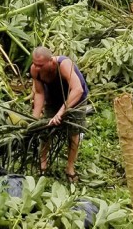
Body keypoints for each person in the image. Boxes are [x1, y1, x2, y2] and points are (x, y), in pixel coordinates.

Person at [30, 46, 89, 182]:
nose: (37, 68)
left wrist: (61, 113)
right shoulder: (35, 70)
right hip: (53, 98)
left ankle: (70, 168)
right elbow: (39, 93)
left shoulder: (63, 64)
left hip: (75, 98)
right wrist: (35, 118)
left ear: (50, 61)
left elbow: (77, 89)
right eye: (35, 64)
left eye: (41, 65)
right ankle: (43, 164)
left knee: (74, 132)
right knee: (45, 130)